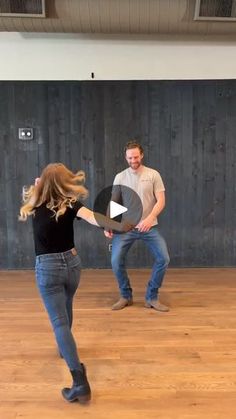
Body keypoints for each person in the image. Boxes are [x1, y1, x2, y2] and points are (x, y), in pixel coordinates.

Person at [19, 163, 132, 403]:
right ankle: (65, 347)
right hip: (72, 264)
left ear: (44, 183)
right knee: (67, 304)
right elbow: (94, 219)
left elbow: (36, 188)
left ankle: (79, 382)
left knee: (59, 323)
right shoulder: (69, 204)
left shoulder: (35, 203)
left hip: (48, 268)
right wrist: (114, 226)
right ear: (64, 182)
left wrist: (40, 185)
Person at [105, 140, 170, 312]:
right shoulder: (120, 176)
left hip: (149, 226)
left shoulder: (153, 175)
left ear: (141, 155)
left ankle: (152, 297)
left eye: (135, 157)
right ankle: (125, 296)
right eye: (129, 158)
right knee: (116, 260)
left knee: (163, 258)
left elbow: (161, 200)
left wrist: (150, 218)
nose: (133, 160)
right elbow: (114, 202)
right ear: (125, 157)